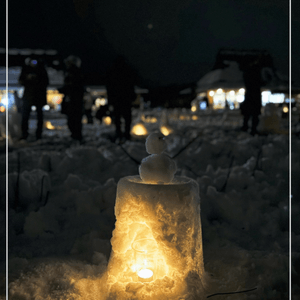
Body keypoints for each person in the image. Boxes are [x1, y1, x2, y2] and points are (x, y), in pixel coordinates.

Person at [105, 55, 138, 142]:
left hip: (119, 99)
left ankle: (120, 133)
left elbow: (109, 87)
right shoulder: (126, 71)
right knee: (125, 118)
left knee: (119, 118)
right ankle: (125, 134)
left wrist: (110, 99)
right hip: (124, 99)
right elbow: (131, 85)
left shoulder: (113, 71)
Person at [18, 58, 49, 140]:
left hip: (38, 96)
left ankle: (38, 134)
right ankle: (25, 134)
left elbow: (46, 82)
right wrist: (27, 78)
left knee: (39, 116)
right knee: (25, 116)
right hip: (29, 96)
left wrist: (37, 79)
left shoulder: (41, 70)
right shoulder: (26, 70)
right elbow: (21, 81)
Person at [58, 55, 84, 142]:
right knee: (75, 120)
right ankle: (76, 135)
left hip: (73, 100)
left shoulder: (71, 72)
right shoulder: (77, 72)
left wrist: (63, 90)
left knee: (73, 120)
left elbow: (71, 86)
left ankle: (76, 135)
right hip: (76, 100)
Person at [240, 57, 264, 135]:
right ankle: (250, 128)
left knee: (251, 114)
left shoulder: (249, 71)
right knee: (253, 114)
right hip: (253, 95)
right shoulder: (253, 71)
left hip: (251, 95)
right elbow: (259, 82)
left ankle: (248, 127)